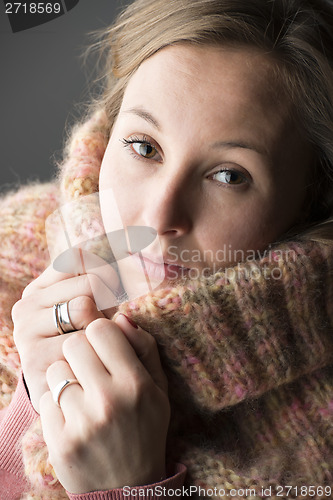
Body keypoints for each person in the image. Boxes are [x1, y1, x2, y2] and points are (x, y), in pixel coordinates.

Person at [1, 0, 333, 498]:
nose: (159, 219)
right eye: (144, 147)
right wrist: (34, 397)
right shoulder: (10, 258)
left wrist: (128, 488)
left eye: (228, 176)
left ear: (308, 202)